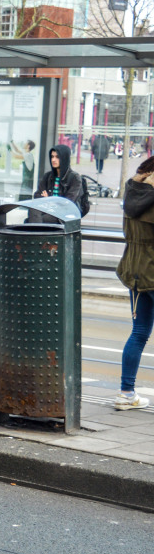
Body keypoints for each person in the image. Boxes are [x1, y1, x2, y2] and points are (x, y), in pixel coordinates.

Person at [115, 155, 154, 410]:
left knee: (138, 334)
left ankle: (126, 394)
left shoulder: (131, 197)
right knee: (139, 334)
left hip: (135, 272)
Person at [31, 145, 84, 222]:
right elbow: (37, 196)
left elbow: (67, 202)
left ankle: (36, 232)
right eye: (52, 156)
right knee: (33, 210)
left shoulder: (74, 178)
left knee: (41, 220)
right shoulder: (48, 176)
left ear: (64, 158)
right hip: (47, 210)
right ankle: (37, 231)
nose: (53, 160)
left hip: (63, 214)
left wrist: (48, 199)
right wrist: (50, 201)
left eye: (57, 157)